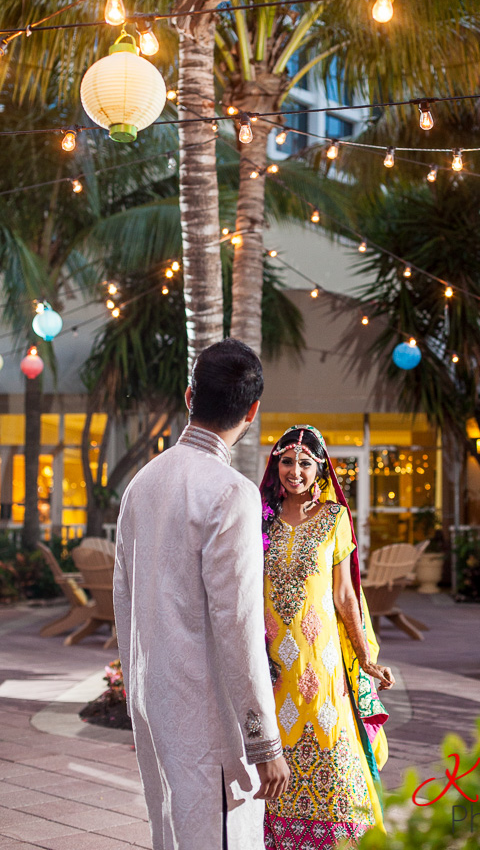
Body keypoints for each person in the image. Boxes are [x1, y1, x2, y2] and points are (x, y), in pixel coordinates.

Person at [113, 339, 290, 850]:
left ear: (190, 396)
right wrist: (264, 742)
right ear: (252, 411)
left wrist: (137, 690)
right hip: (209, 715)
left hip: (155, 700)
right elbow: (239, 627)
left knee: (170, 830)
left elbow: (123, 605)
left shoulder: (141, 483)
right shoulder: (231, 492)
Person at [260, 424, 395, 849]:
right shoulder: (261, 516)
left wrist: (365, 656)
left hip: (321, 661)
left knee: (332, 749)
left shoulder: (334, 518)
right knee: (274, 752)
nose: (294, 471)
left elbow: (344, 594)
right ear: (275, 464)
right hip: (272, 663)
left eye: (304, 462)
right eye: (286, 461)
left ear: (320, 468)